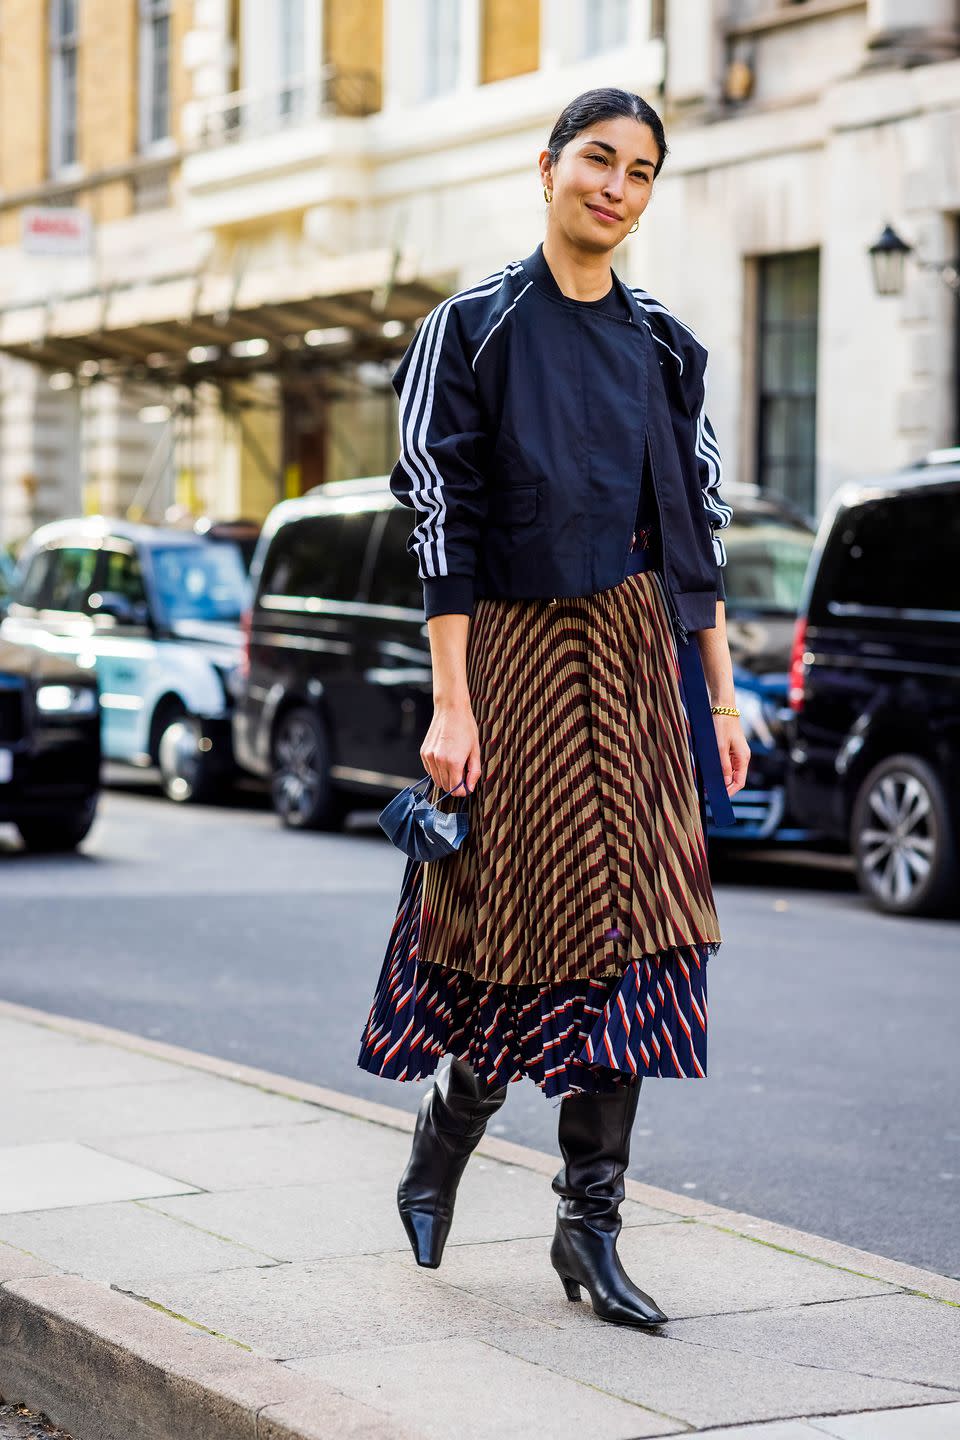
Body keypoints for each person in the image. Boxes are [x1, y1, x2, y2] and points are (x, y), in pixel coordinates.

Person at [357, 87, 750, 1329]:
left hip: (636, 655)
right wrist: (452, 703)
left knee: (640, 930)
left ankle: (590, 1228)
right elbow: (444, 523)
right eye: (598, 159)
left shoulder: (668, 345)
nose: (616, 187)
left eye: (640, 171)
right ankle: (443, 1138)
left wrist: (723, 698)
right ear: (548, 169)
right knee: (516, 931)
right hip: (512, 656)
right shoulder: (472, 328)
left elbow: (697, 532)